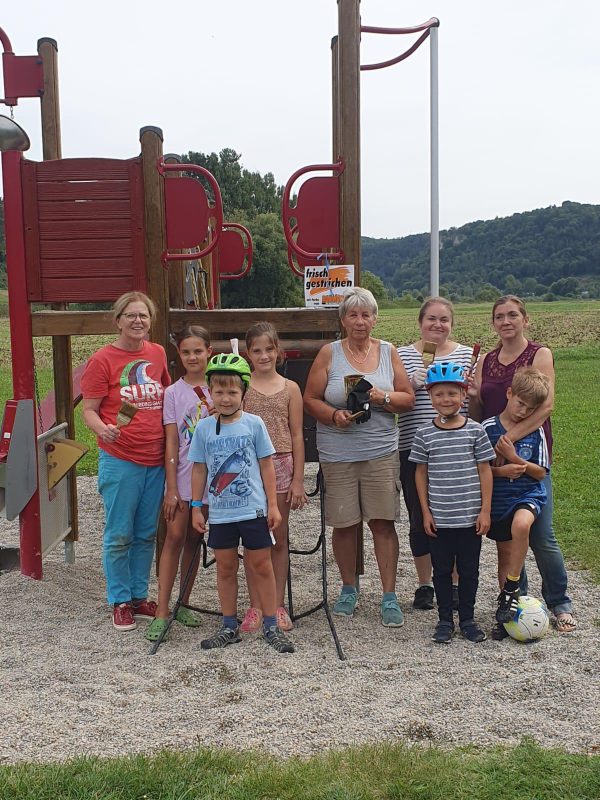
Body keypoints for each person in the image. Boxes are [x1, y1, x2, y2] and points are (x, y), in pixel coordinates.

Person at [303, 287, 414, 627]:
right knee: (344, 523)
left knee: (382, 522)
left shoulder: (388, 352)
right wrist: (332, 415)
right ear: (343, 320)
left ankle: (389, 595)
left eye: (366, 315)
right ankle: (348, 588)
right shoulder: (329, 353)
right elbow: (310, 398)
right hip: (338, 453)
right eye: (353, 315)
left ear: (375, 319)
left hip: (379, 450)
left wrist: (382, 397)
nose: (360, 321)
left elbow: (407, 398)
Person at [469, 294, 576, 633]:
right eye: (499, 316)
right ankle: (518, 600)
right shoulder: (487, 360)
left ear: (525, 319)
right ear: (493, 323)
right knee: (509, 537)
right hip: (495, 455)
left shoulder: (539, 354)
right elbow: (481, 412)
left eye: (513, 314)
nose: (506, 321)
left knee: (541, 534)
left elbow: (545, 406)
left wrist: (510, 440)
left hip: (529, 451)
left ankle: (559, 602)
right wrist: (472, 398)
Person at [189, 353, 295, 654]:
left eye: (232, 392)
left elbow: (266, 466)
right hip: (221, 512)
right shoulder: (205, 429)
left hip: (254, 509)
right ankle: (228, 624)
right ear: (210, 391)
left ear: (243, 392)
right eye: (219, 391)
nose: (225, 398)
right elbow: (199, 468)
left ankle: (271, 623)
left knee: (261, 564)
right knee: (224, 568)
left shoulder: (254, 424)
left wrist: (273, 505)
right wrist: (197, 506)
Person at [81, 291, 170, 631]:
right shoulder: (103, 360)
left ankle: (137, 595)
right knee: (120, 533)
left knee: (146, 533)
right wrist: (103, 429)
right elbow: (89, 410)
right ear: (118, 320)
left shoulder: (157, 353)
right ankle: (119, 599)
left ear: (150, 321)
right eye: (131, 315)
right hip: (121, 458)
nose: (137, 321)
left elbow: (166, 394)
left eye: (143, 316)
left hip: (155, 459)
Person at [397, 297, 475, 611]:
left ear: (451, 324)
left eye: (444, 319)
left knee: (455, 517)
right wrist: (413, 384)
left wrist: (474, 390)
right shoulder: (402, 354)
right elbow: (397, 398)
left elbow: (475, 402)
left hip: (458, 448)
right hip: (414, 446)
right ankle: (425, 582)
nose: (437, 325)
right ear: (420, 321)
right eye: (431, 318)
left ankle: (454, 583)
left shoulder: (467, 355)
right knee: (420, 516)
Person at [409, 362, 495, 644]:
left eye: (452, 394)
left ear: (463, 395)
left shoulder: (475, 431)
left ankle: (467, 619)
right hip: (440, 518)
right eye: (439, 394)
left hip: (469, 518)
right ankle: (445, 620)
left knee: (469, 570)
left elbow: (485, 470)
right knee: (442, 571)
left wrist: (484, 510)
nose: (446, 400)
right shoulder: (424, 434)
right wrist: (425, 511)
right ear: (430, 398)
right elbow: (420, 473)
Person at [145, 325, 213, 642]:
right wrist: (171, 487)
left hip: (213, 476)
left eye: (198, 351)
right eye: (186, 352)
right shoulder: (173, 392)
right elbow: (172, 441)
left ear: (208, 352)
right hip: (184, 473)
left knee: (194, 539)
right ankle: (162, 609)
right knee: (174, 535)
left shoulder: (220, 386)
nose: (192, 357)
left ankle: (183, 601)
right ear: (179, 355)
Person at [240, 321, 308, 634]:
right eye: (257, 350)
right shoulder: (242, 387)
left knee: (278, 538)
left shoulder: (290, 388)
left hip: (281, 464)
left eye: (269, 349)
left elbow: (297, 435)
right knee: (253, 541)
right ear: (248, 353)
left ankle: (276, 604)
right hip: (249, 466)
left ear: (278, 351)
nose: (264, 355)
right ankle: (255, 605)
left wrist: (298, 480)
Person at [481, 367, 550, 633]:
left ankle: (512, 587)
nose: (523, 412)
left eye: (529, 409)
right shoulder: (488, 428)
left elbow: (540, 471)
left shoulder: (536, 432)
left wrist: (515, 458)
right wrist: (501, 471)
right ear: (509, 394)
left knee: (522, 525)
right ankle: (508, 611)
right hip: (499, 500)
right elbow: (482, 470)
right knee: (505, 556)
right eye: (520, 404)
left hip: (527, 494)